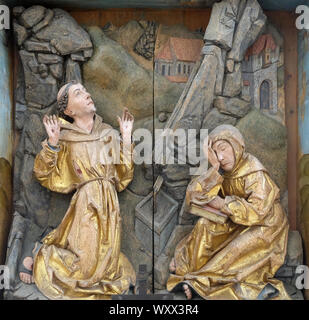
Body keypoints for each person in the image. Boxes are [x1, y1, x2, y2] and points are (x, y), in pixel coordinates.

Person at [20, 81, 136, 299]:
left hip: (110, 206)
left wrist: (126, 138)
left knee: (106, 263)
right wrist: (53, 143)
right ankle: (41, 254)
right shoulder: (65, 137)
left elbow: (123, 176)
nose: (87, 94)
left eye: (85, 90)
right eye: (78, 93)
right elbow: (43, 173)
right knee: (85, 266)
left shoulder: (109, 133)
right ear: (69, 110)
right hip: (87, 202)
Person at [167, 124, 290, 300]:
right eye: (215, 153)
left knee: (235, 250)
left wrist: (223, 204)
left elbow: (258, 210)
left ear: (236, 145)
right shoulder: (221, 171)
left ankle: (200, 283)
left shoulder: (255, 172)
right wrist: (214, 169)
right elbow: (192, 197)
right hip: (236, 220)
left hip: (266, 226)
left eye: (223, 149)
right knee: (204, 225)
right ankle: (190, 270)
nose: (221, 157)